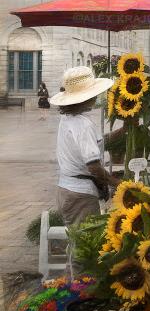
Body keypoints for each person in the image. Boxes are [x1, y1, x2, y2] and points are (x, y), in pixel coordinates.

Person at [50, 66, 119, 274]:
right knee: (85, 250)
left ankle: (77, 287)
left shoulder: (68, 120)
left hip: (67, 190)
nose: (96, 97)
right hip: (80, 194)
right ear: (85, 98)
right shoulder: (83, 124)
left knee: (78, 242)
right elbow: (94, 167)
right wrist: (117, 183)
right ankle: (80, 294)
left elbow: (90, 146)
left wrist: (120, 132)